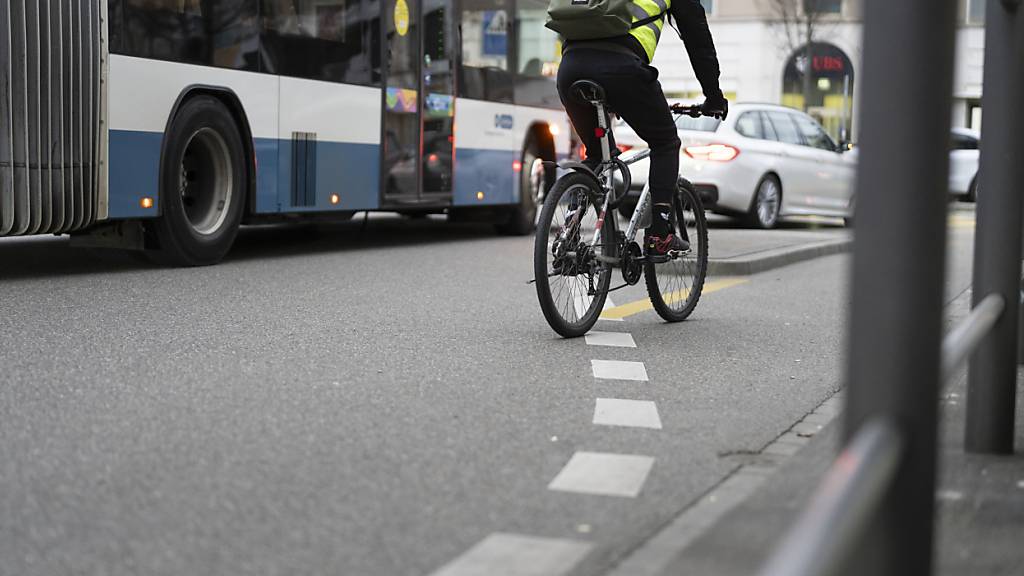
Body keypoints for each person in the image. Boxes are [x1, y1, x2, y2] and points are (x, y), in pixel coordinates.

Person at [556, 0, 727, 255]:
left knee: (596, 153)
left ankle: (569, 228)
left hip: (571, 68)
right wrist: (713, 97)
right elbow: (698, 40)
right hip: (622, 69)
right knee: (665, 142)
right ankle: (660, 235)